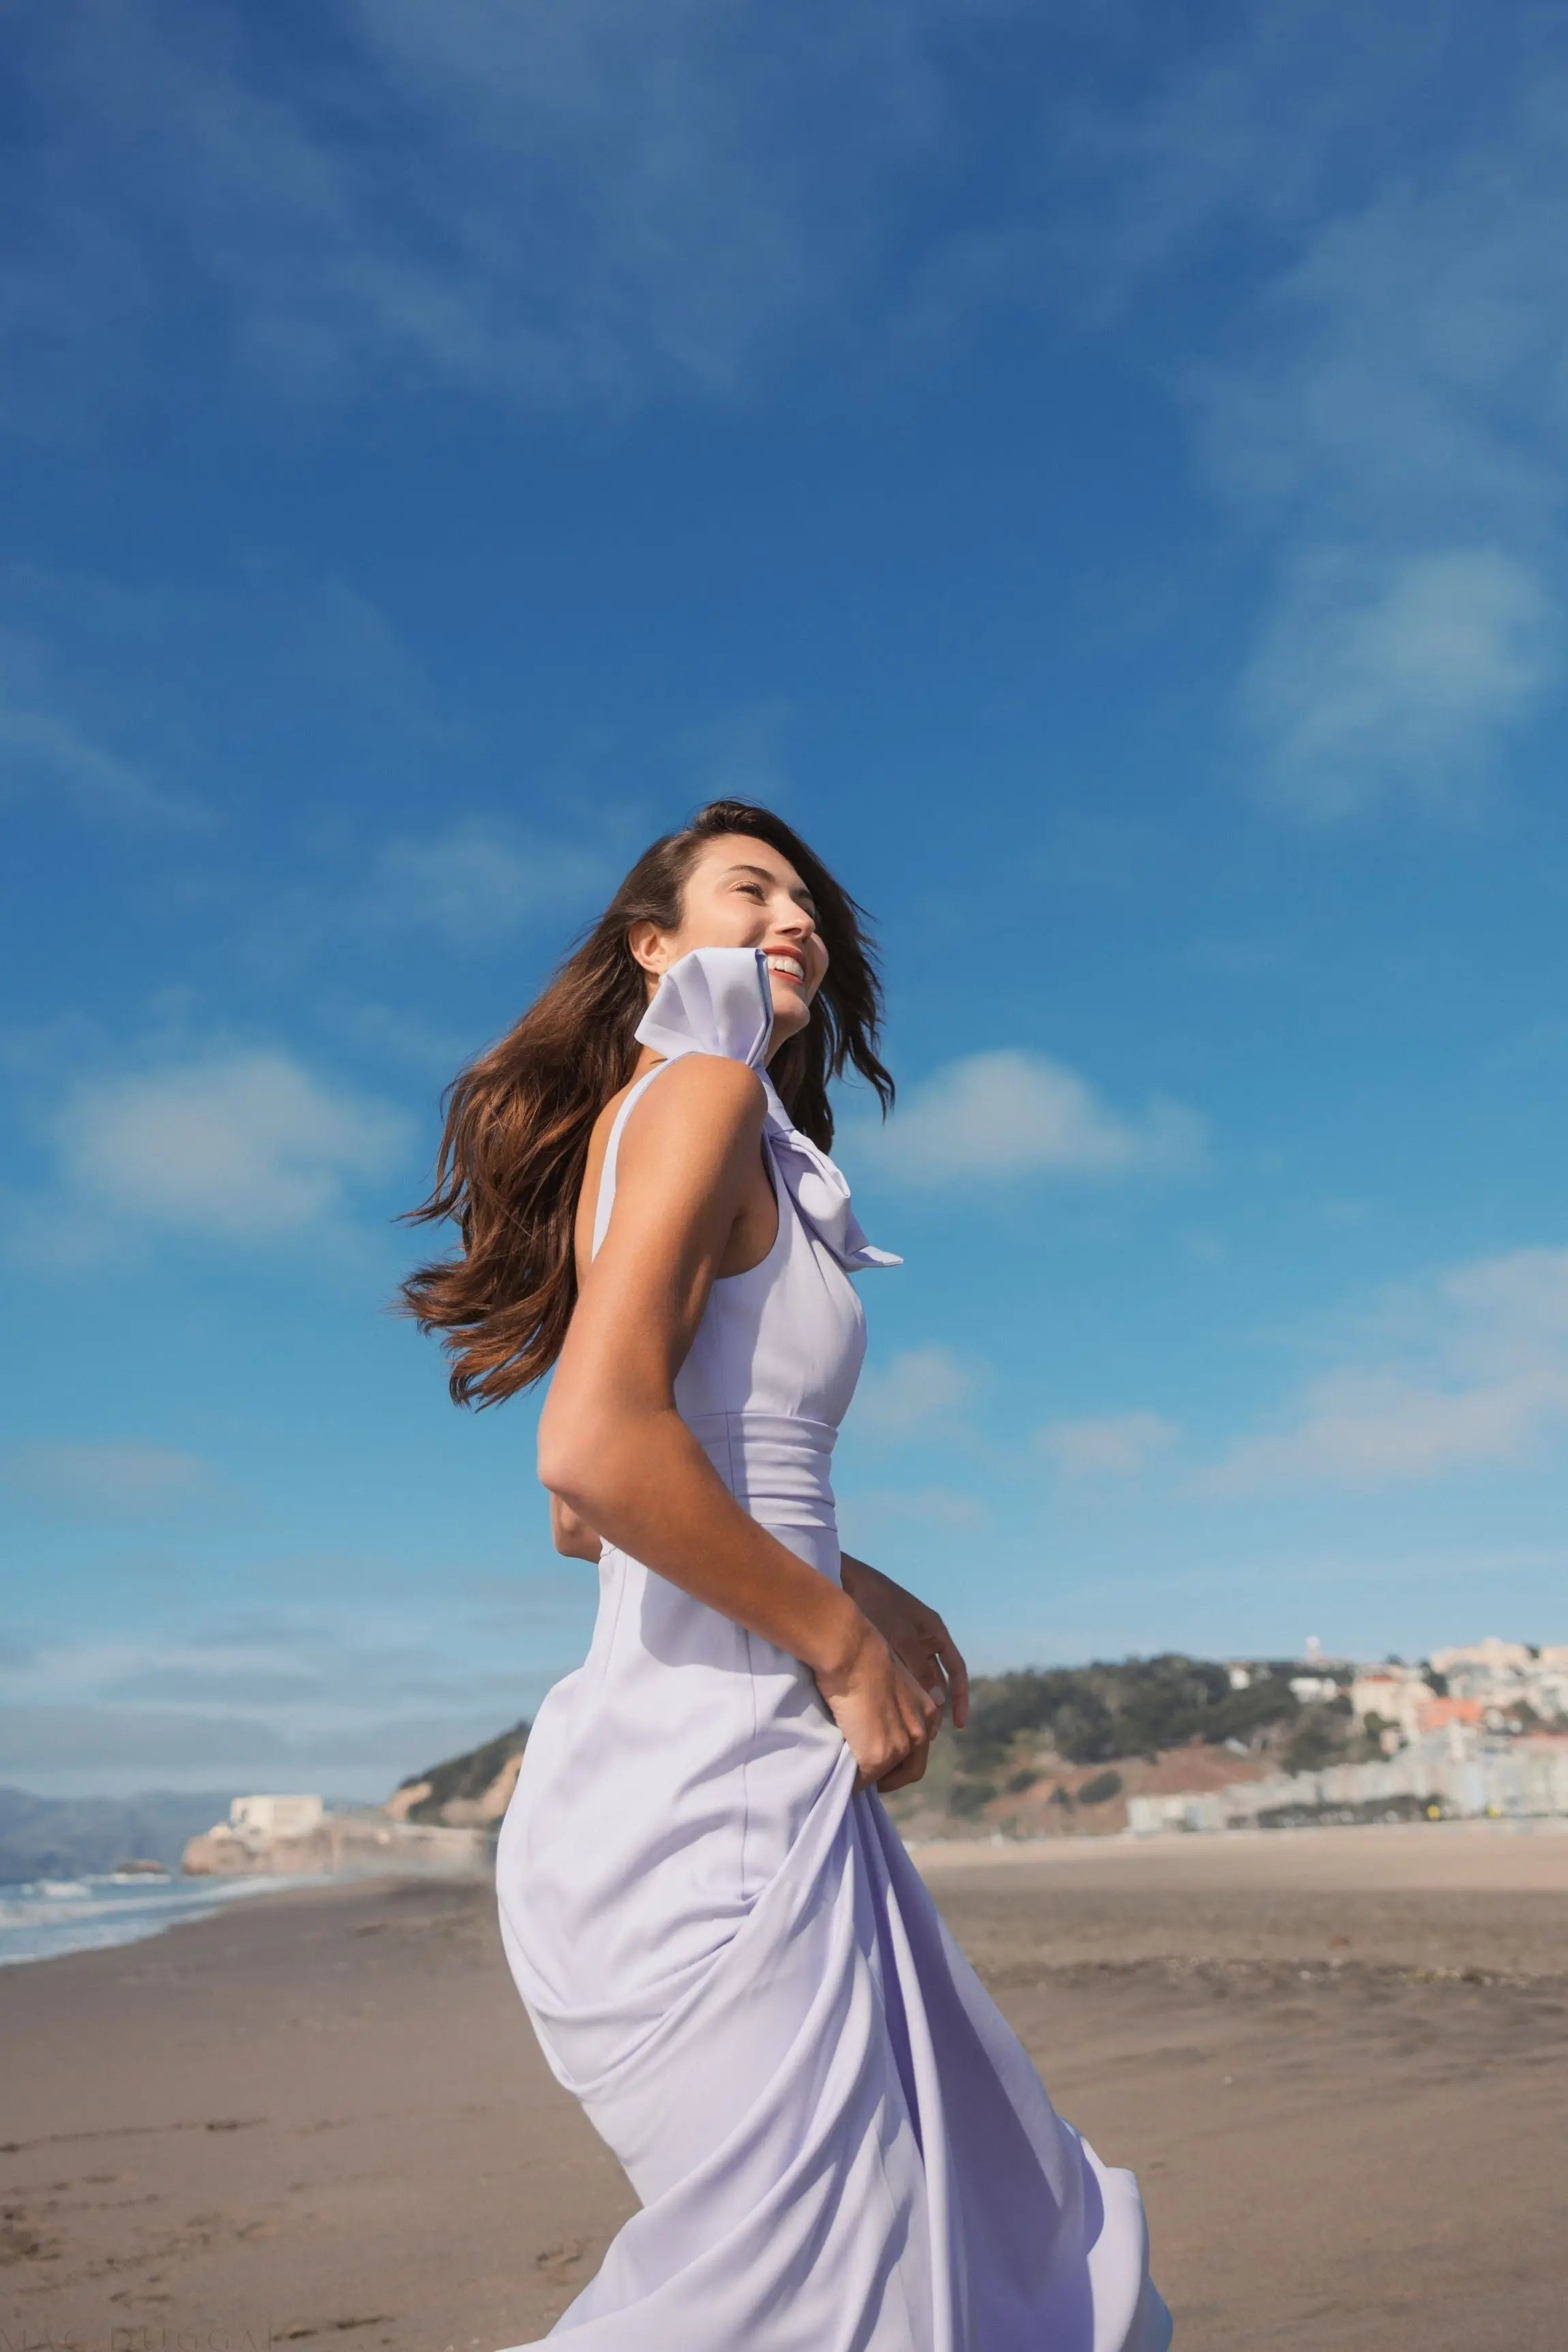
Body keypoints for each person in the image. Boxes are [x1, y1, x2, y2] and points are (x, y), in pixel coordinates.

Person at [404, 801, 1171, 2351]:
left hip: (729, 1785)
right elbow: (591, 1458)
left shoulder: (715, 1120)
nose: (799, 916)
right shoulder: (692, 1094)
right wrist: (835, 1637)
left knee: (934, 2256)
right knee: (826, 2300)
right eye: (752, 890)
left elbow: (596, 1506)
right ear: (650, 944)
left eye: (811, 900)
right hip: (711, 1803)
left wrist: (852, 1571)